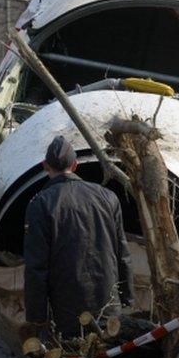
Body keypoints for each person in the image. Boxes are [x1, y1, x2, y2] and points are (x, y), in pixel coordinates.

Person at [22, 136, 134, 339]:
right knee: (111, 354)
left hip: (67, 307)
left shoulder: (40, 204)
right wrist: (127, 295)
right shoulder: (107, 197)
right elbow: (122, 251)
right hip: (108, 299)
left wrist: (37, 315)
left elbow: (36, 266)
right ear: (75, 165)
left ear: (45, 166)